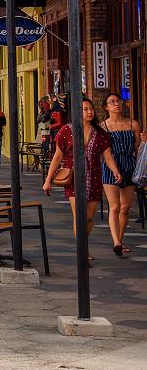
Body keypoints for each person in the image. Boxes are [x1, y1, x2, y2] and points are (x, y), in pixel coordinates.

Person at [45, 97, 124, 265]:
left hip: (94, 178)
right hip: (73, 178)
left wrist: (116, 171)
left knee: (89, 218)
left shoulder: (100, 133)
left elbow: (107, 157)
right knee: (80, 216)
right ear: (77, 112)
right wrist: (48, 180)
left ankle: (83, 244)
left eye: (91, 109)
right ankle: (83, 251)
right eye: (85, 109)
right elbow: (57, 156)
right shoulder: (66, 130)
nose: (89, 112)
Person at [100, 94, 139, 256]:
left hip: (129, 164)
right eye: (112, 102)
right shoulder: (102, 127)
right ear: (106, 107)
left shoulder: (132, 124)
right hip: (111, 166)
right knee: (114, 206)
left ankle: (120, 241)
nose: (117, 104)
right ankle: (116, 241)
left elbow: (137, 147)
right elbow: (102, 151)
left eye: (118, 101)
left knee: (125, 207)